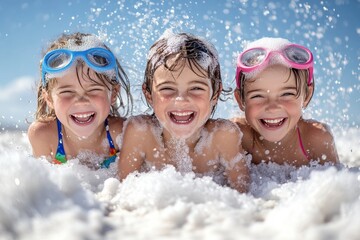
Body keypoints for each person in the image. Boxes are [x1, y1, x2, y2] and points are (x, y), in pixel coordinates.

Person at [118, 31, 250, 193]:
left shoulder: (223, 136)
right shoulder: (140, 132)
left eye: (196, 88)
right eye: (167, 88)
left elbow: (245, 197)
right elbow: (120, 193)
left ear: (215, 94)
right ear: (149, 95)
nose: (181, 100)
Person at [28, 32, 132, 169]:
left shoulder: (121, 133)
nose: (81, 101)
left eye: (93, 90)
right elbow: (43, 188)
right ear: (49, 98)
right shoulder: (44, 135)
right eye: (67, 92)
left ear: (113, 94)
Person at [232, 37, 339, 167]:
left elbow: (337, 184)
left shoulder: (316, 139)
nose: (272, 107)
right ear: (240, 100)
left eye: (287, 94)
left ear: (306, 96)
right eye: (258, 96)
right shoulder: (237, 137)